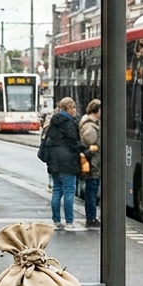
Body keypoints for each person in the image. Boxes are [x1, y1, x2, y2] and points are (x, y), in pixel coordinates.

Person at [42, 96, 85, 231]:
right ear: (69, 108)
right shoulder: (69, 123)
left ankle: (56, 220)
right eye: (74, 107)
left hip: (54, 162)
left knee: (56, 191)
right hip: (68, 162)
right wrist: (84, 151)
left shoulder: (53, 123)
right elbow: (73, 143)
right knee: (68, 191)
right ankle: (69, 221)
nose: (75, 110)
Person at [78, 99, 102, 228]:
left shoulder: (90, 124)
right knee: (92, 192)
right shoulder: (91, 127)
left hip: (93, 163)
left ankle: (92, 217)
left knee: (92, 191)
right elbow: (91, 142)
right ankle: (91, 218)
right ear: (96, 111)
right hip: (93, 164)